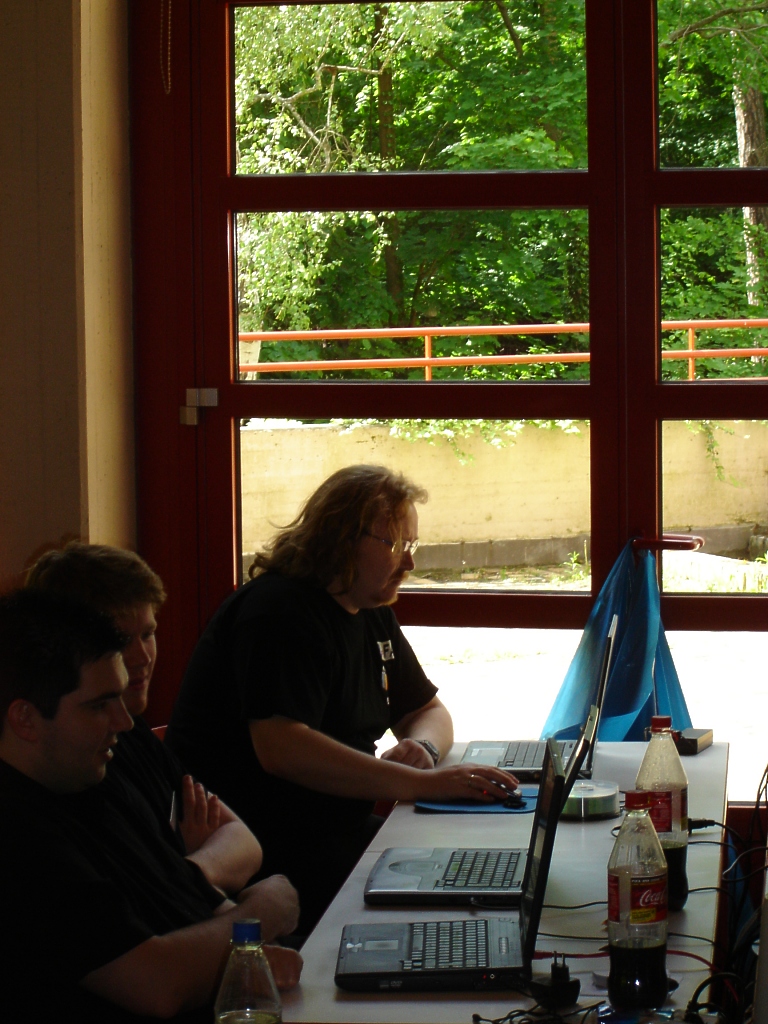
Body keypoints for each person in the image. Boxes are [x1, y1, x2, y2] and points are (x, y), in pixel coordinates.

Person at [166, 464, 516, 932]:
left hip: (332, 830)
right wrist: (421, 784)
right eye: (395, 545)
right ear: (342, 538)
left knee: (475, 866)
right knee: (446, 905)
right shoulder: (279, 612)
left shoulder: (368, 610)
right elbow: (282, 748)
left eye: (411, 547)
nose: (408, 564)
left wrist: (424, 749)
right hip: (270, 845)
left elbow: (426, 709)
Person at [0, 588, 302, 1023]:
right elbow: (157, 985)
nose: (124, 722)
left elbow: (181, 896)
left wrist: (249, 955)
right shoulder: (18, 837)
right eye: (99, 706)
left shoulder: (90, 776)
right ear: (25, 719)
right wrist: (257, 920)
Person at [25, 541, 299, 917]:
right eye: (122, 641)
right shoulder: (74, 765)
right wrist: (193, 873)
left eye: (148, 634)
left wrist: (185, 871)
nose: (142, 657)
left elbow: (244, 842)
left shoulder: (131, 733)